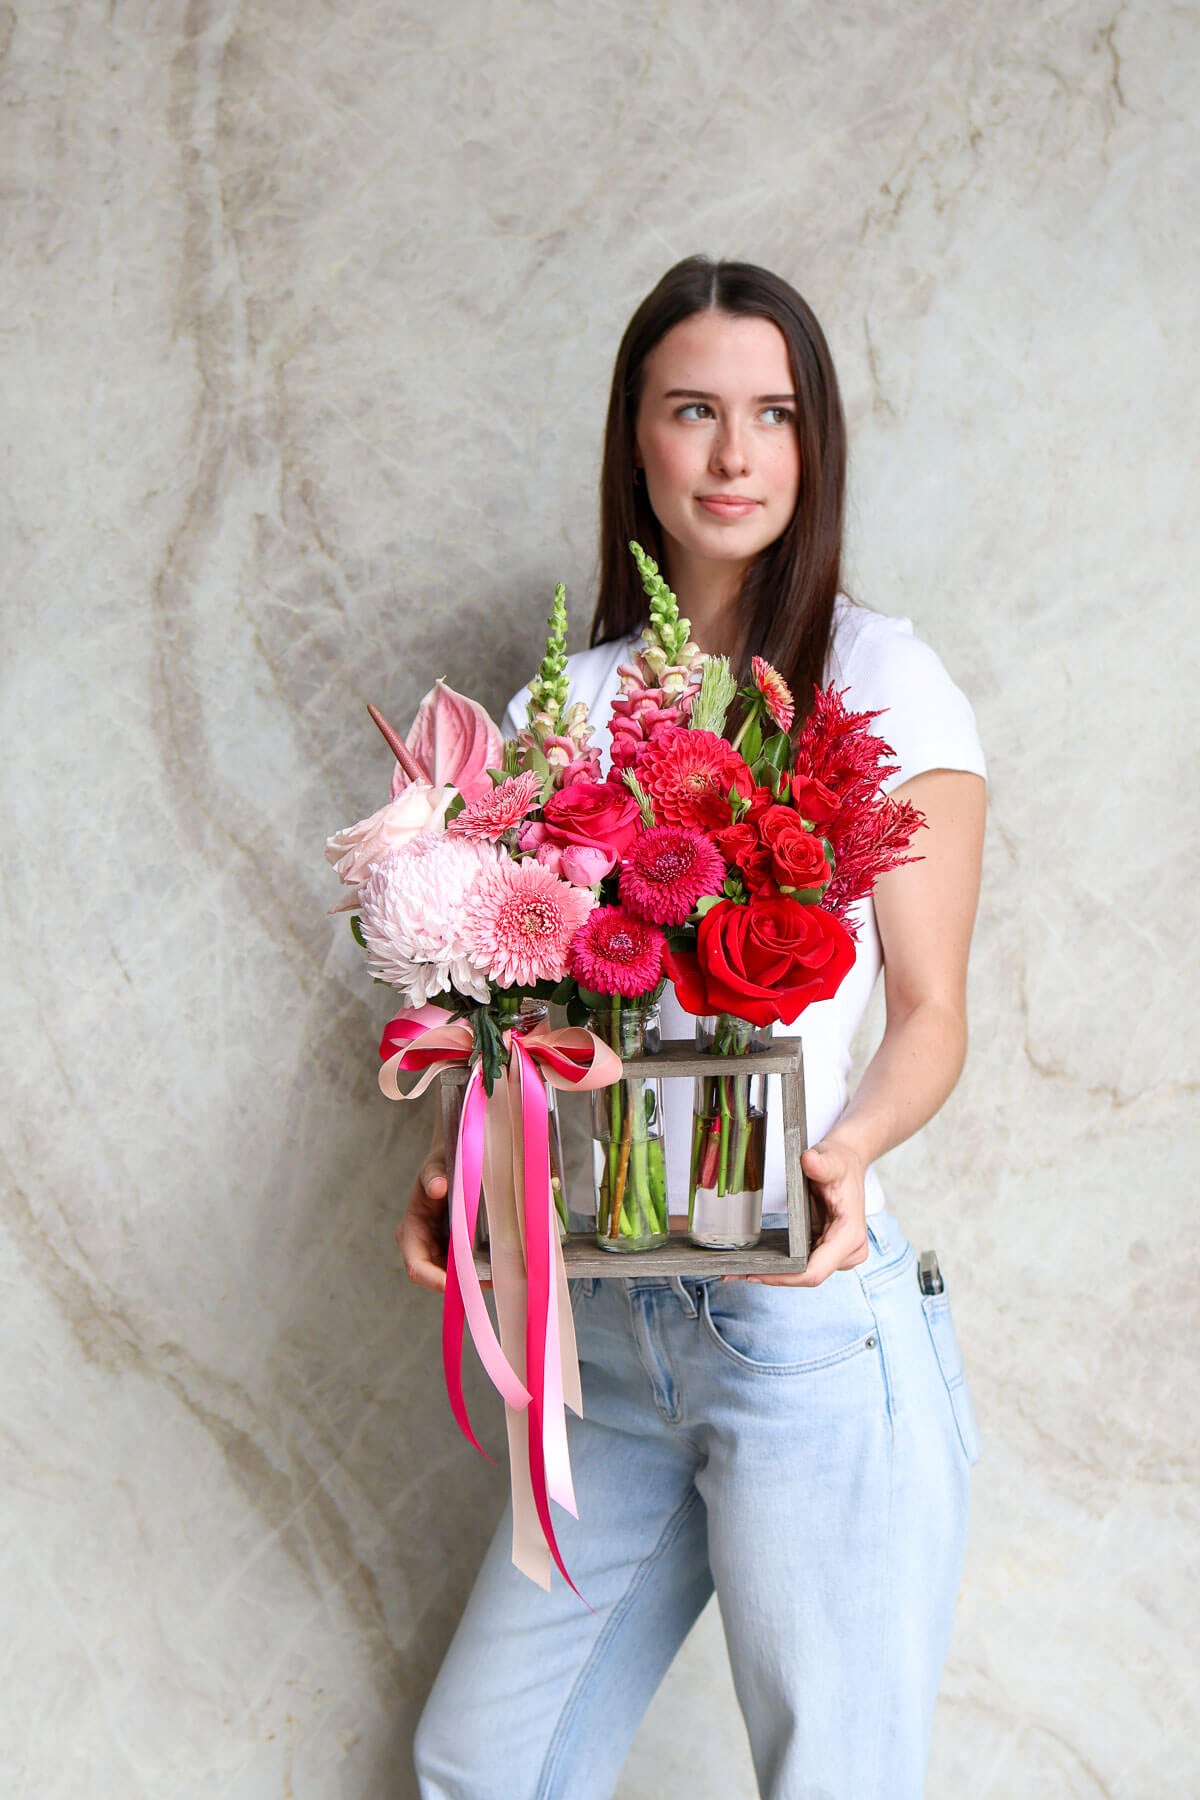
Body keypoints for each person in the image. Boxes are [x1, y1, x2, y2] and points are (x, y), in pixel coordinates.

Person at [402, 256, 987, 1800]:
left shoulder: (882, 683)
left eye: (774, 415)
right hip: (610, 1309)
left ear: (814, 447)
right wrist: (470, 1163)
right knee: (486, 1762)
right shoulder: (574, 709)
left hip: (801, 1318)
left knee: (835, 1782)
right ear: (638, 442)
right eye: (695, 411)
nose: (736, 455)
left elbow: (931, 1014)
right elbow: (529, 1012)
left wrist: (848, 1152)